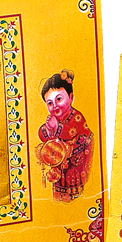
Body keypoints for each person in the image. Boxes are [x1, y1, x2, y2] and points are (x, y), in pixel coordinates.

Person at [36, 69, 93, 202]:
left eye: (59, 99)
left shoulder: (77, 117)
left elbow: (70, 132)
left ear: (71, 98)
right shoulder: (54, 119)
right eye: (50, 103)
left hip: (77, 163)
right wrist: (48, 129)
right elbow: (43, 134)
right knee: (59, 192)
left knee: (76, 195)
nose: (55, 106)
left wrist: (56, 127)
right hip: (61, 166)